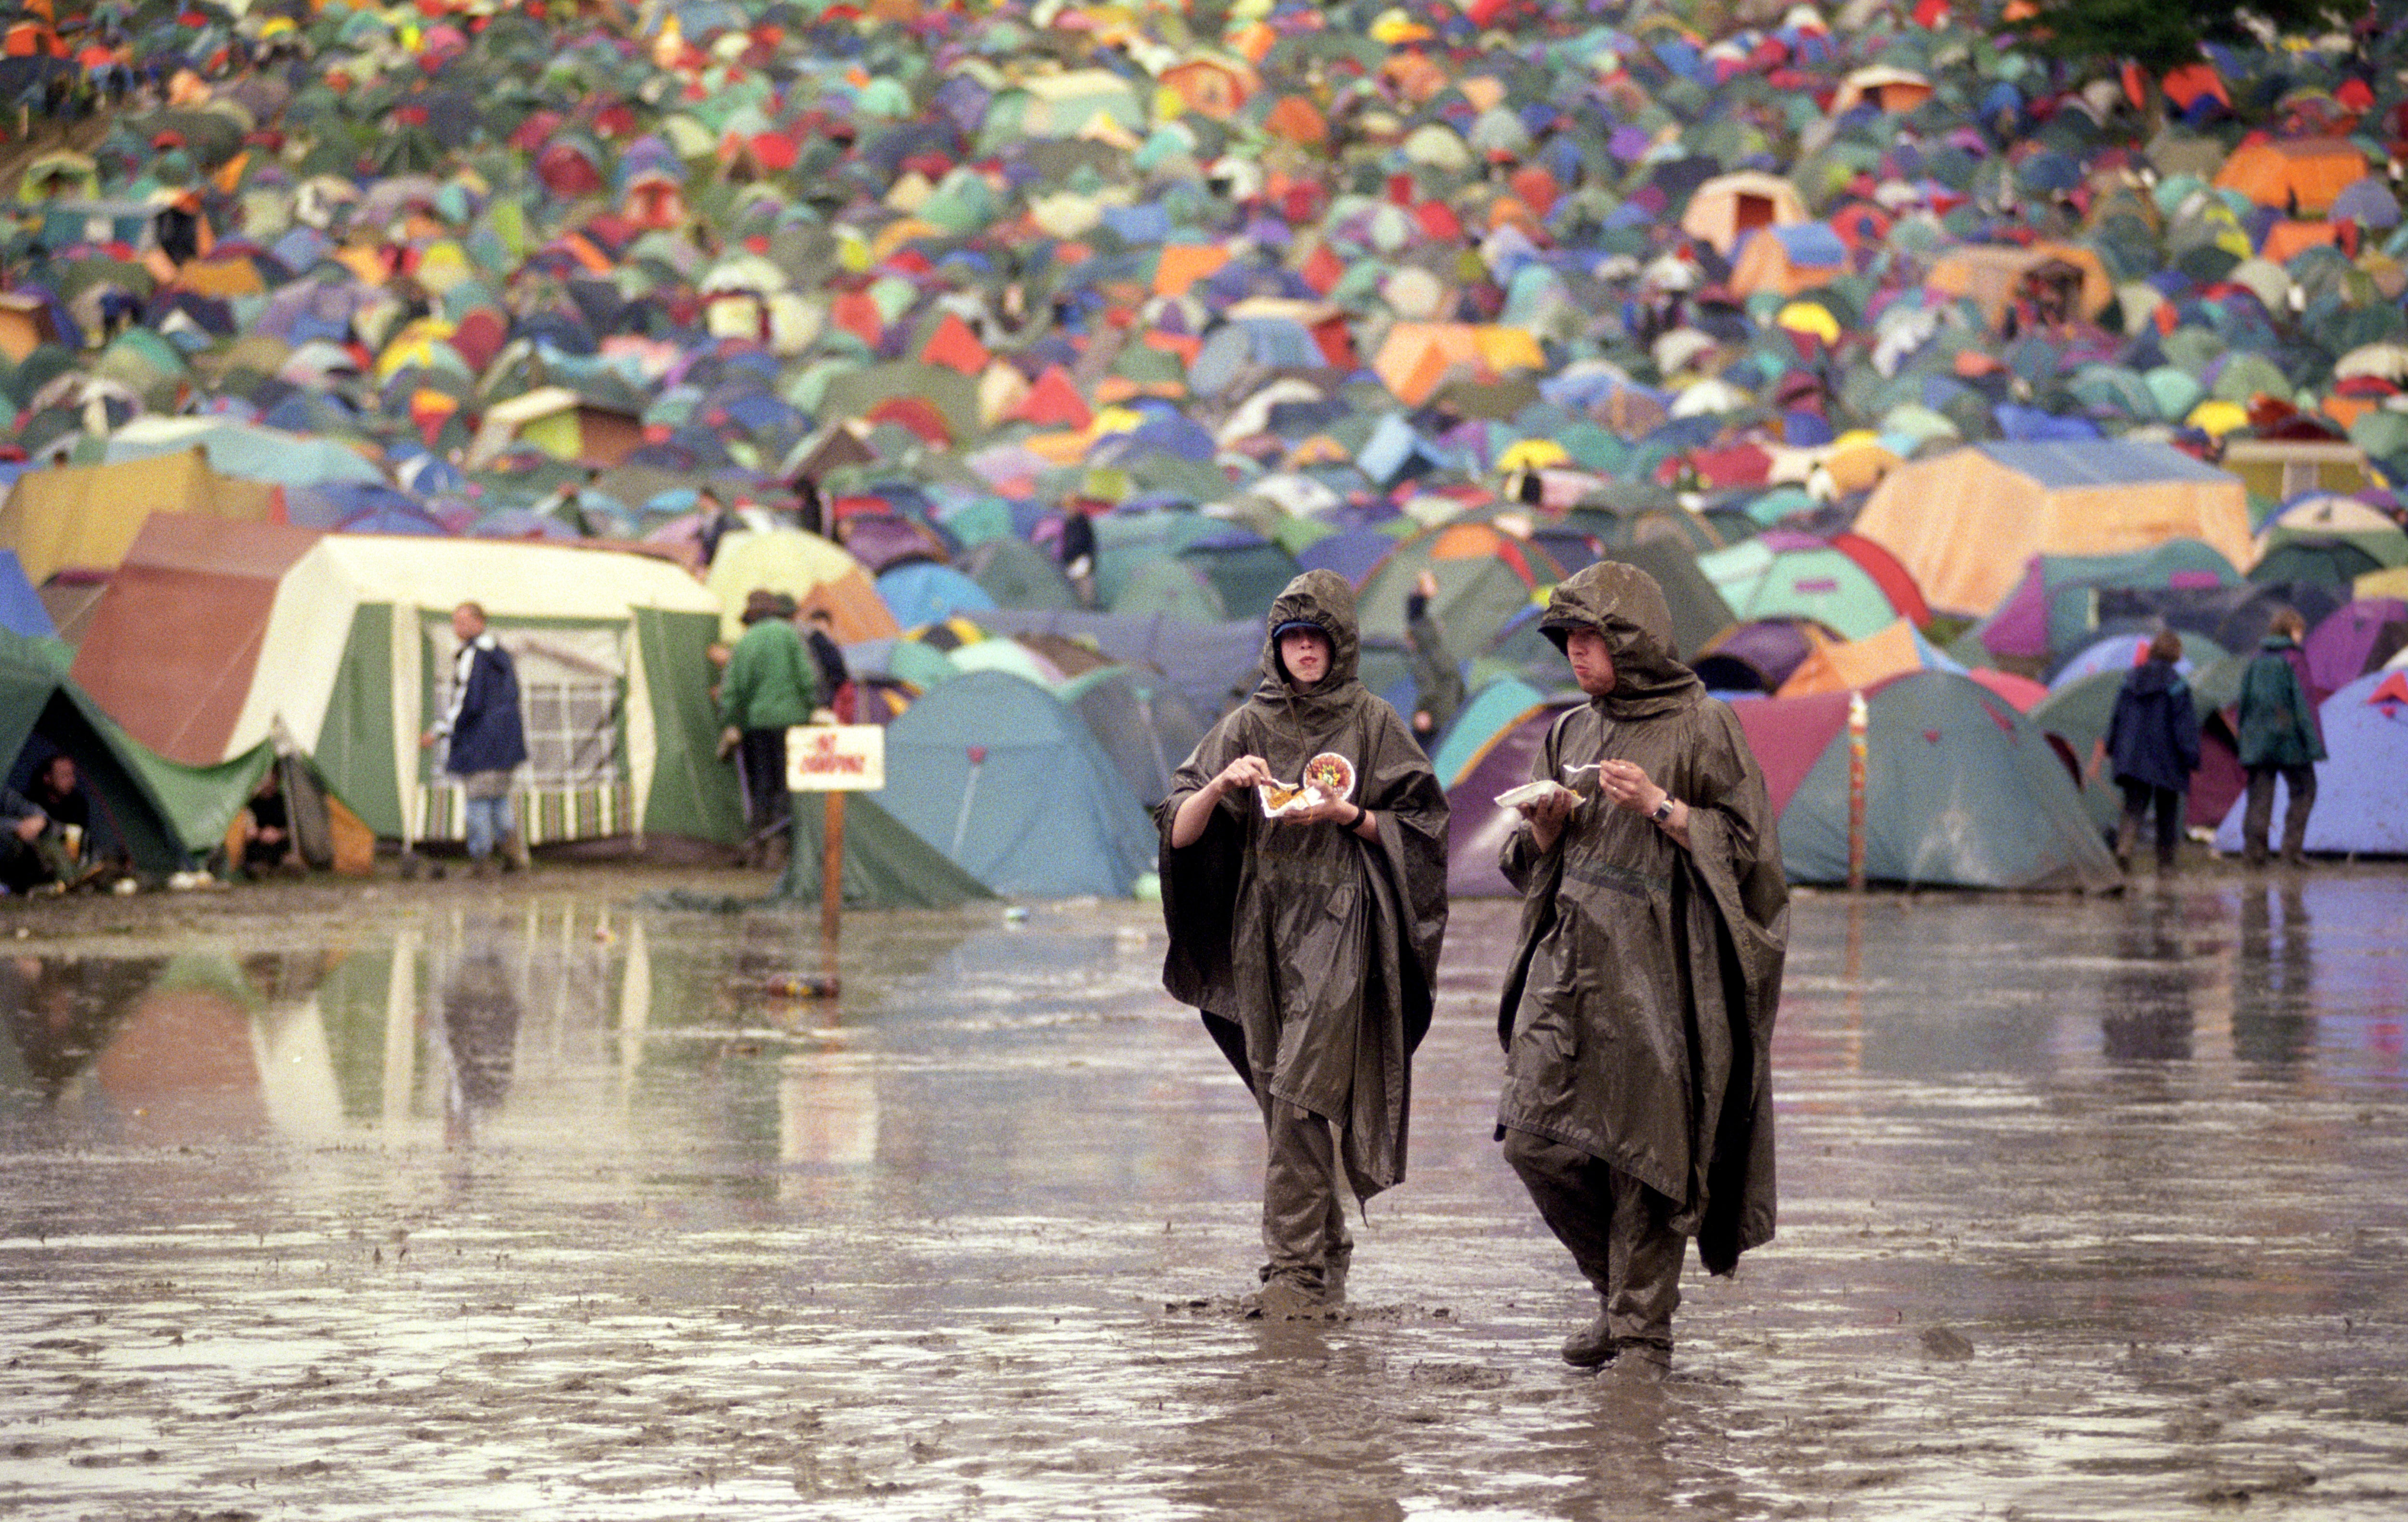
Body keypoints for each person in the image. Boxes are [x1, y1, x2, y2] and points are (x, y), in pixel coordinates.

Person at [1493, 561, 1787, 1379]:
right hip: (1572, 960)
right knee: (1534, 1139)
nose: (1577, 657)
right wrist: (1545, 832)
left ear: (1633, 641)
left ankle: (1641, 1334)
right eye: (1569, 642)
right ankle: (1614, 1293)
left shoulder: (1705, 726)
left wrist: (1663, 807)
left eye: (1591, 641)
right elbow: (1526, 861)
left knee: (1647, 1155)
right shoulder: (1570, 730)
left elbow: (1754, 854)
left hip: (1667, 964)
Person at [1156, 570, 1449, 1319]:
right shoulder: (1248, 723)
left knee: (1300, 1090)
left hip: (1342, 922)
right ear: (1276, 648)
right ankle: (1326, 1247)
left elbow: (1422, 830)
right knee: (1278, 1093)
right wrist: (1221, 784)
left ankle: (1292, 1273)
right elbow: (1178, 830)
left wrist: (1349, 815)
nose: (1305, 650)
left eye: (1317, 637)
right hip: (1261, 925)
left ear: (1340, 643)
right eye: (1292, 639)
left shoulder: (1374, 720)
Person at [419, 602, 530, 876]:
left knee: (478, 801)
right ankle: (513, 856)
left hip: (480, 743)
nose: (459, 628)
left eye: (464, 621)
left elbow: (467, 700)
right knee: (499, 799)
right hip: (507, 742)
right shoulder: (500, 654)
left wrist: (439, 731)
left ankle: (481, 860)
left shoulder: (474, 655)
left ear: (480, 622)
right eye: (455, 622)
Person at [718, 590, 819, 867]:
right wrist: (813, 705)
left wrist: (732, 722)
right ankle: (784, 844)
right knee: (790, 783)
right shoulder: (789, 635)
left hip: (757, 724)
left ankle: (759, 841)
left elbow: (734, 689)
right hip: (792, 721)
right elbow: (806, 676)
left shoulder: (745, 643)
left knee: (763, 783)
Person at [2100, 630, 2201, 874]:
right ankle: (2165, 864)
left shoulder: (2130, 680)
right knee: (2167, 809)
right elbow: (2184, 726)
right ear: (2175, 654)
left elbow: (2118, 716)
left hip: (2133, 754)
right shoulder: (2177, 685)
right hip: (2167, 757)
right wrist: (2192, 757)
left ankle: (2124, 850)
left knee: (2133, 806)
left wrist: (2112, 746)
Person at [2236, 608, 2326, 868]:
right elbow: (2304, 705)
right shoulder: (2294, 660)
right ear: (2292, 630)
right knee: (2305, 790)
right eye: (2300, 631)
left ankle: (2253, 856)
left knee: (2259, 798)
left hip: (2258, 741)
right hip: (2290, 742)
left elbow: (2244, 703)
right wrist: (2314, 744)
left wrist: (2245, 737)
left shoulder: (2256, 659)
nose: (2302, 636)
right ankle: (2291, 853)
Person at [1403, 570, 1465, 744]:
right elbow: (1459, 687)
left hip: (1434, 724)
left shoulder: (1424, 659)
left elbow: (1428, 689)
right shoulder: (1443, 656)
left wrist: (1422, 712)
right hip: (1451, 721)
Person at [802, 607, 853, 722]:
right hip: (826, 694)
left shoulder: (827, 644)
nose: (819, 628)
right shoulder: (820, 643)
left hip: (824, 694)